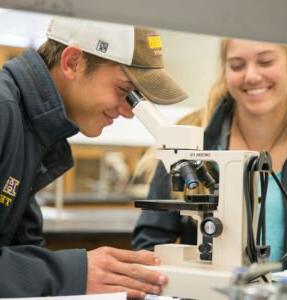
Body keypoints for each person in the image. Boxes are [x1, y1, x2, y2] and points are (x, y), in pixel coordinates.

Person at [0, 16, 189, 298]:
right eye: (124, 91)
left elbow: (19, 252)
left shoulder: (33, 130)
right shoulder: (5, 113)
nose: (127, 112)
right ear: (73, 62)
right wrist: (72, 272)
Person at [132, 39, 287, 270]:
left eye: (266, 61)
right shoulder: (188, 139)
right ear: (225, 70)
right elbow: (150, 245)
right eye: (237, 65)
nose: (251, 76)